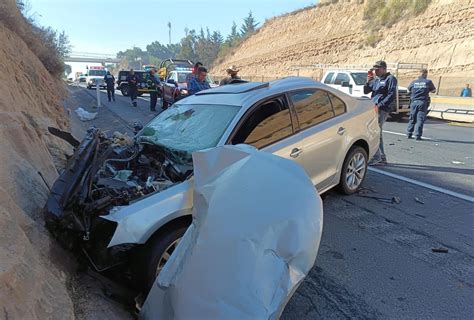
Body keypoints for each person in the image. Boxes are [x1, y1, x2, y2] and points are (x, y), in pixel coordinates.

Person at [363, 60, 398, 165]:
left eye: (377, 69)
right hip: (373, 108)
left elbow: (392, 94)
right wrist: (368, 80)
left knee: (374, 131)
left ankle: (377, 156)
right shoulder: (376, 80)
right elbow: (366, 91)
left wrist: (380, 105)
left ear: (384, 68)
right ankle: (381, 157)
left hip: (382, 109)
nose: (376, 72)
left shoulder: (390, 79)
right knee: (377, 132)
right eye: (375, 70)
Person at [406, 69, 436, 140]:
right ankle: (417, 135)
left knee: (412, 118)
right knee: (420, 119)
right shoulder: (428, 82)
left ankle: (409, 133)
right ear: (425, 74)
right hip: (422, 103)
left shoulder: (414, 82)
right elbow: (434, 90)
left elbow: (408, 90)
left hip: (414, 102)